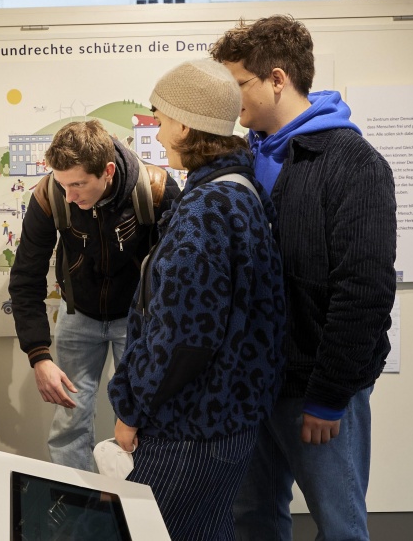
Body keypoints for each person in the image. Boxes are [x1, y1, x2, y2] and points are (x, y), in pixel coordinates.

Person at [210, 15, 397, 540]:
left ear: (276, 78)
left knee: (339, 526)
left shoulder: (354, 163)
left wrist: (329, 396)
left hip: (315, 388)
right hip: (251, 388)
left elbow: (364, 291)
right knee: (254, 520)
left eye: (238, 84)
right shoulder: (244, 159)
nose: (231, 98)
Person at [108, 58, 286, 540]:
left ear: (186, 123)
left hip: (188, 430)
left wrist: (129, 411)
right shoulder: (242, 192)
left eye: (161, 120)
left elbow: (182, 339)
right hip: (226, 422)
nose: (159, 134)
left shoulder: (208, 209)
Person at [9, 119, 179, 471]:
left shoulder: (157, 189)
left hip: (137, 322)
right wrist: (38, 355)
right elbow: (25, 277)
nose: (69, 195)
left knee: (142, 422)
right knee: (69, 426)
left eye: (78, 184)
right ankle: (77, 510)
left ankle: (142, 510)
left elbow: (178, 279)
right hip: (79, 315)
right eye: (62, 184)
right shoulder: (49, 195)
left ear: (108, 171)